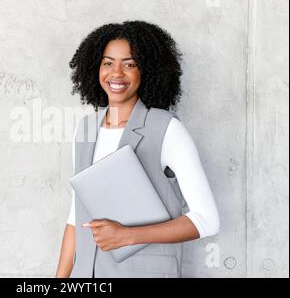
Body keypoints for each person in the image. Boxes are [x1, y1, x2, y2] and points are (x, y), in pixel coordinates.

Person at [55, 21, 220, 278]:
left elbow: (207, 220)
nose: (116, 73)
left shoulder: (167, 129)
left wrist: (126, 236)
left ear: (147, 71)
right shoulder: (84, 128)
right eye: (108, 63)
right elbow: (75, 216)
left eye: (129, 64)